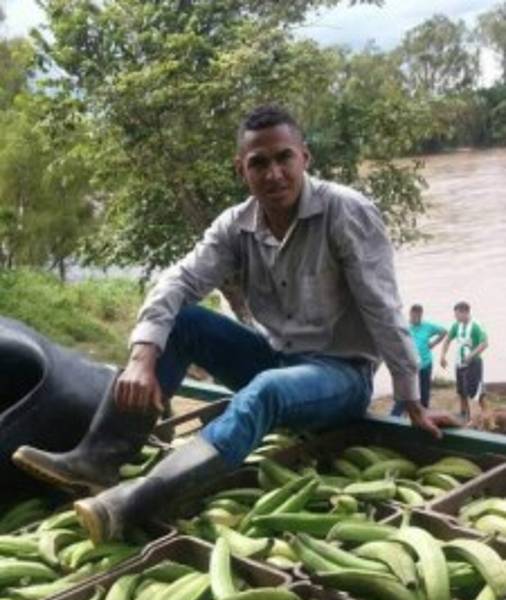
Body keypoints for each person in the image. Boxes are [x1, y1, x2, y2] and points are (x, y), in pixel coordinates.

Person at [13, 104, 452, 543]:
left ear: (305, 157)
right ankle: (98, 459)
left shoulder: (345, 212)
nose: (274, 173)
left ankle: (138, 500)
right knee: (181, 322)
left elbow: (383, 308)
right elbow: (179, 280)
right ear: (242, 169)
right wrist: (142, 358)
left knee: (265, 391)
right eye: (259, 163)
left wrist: (412, 398)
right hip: (277, 359)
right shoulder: (235, 225)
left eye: (284, 158)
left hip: (341, 375)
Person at [391, 304, 446, 416]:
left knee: (424, 391)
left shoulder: (428, 326)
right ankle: (397, 416)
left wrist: (433, 344)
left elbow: (444, 332)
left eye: (417, 316)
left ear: (420, 315)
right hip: (410, 366)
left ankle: (424, 413)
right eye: (412, 315)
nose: (414, 318)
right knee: (406, 392)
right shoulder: (405, 326)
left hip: (425, 364)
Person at [440, 302, 488, 422]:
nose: (455, 317)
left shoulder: (476, 325)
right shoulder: (457, 325)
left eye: (457, 314)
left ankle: (487, 416)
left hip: (474, 364)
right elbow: (447, 340)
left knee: (477, 393)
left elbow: (485, 343)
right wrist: (443, 355)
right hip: (460, 363)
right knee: (462, 392)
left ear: (465, 312)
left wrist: (471, 355)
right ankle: (463, 415)